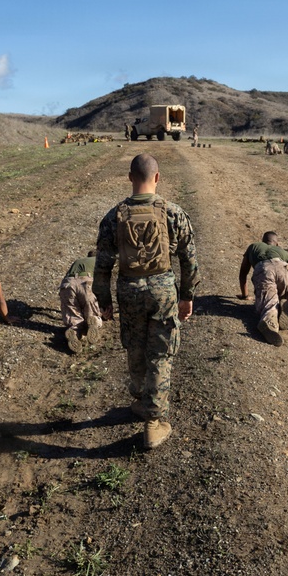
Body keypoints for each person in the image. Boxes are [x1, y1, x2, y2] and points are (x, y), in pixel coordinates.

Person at [93, 153, 199, 450]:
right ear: (157, 177)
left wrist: (103, 302)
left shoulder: (113, 216)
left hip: (128, 290)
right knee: (161, 354)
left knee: (135, 346)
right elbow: (189, 261)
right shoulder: (174, 213)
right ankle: (154, 421)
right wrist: (187, 296)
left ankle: (141, 400)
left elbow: (102, 265)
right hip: (163, 291)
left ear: (130, 177)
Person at [238, 232, 288, 346]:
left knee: (268, 301)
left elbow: (243, 273)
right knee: (283, 292)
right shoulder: (283, 252)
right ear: (277, 243)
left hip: (265, 268)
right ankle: (282, 304)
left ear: (262, 240)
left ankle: (270, 322)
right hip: (284, 269)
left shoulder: (254, 246)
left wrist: (244, 294)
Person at [59, 250, 103, 353]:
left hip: (67, 284)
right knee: (91, 310)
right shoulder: (99, 260)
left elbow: (68, 279)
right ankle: (93, 322)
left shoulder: (78, 261)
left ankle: (74, 332)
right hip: (85, 281)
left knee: (73, 314)